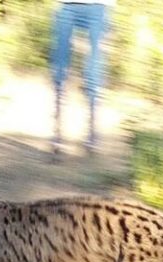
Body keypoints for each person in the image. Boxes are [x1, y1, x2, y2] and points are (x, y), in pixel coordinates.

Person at [49, 0, 114, 159]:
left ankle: (91, 135)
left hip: (98, 7)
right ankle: (57, 134)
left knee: (94, 73)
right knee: (59, 70)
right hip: (67, 5)